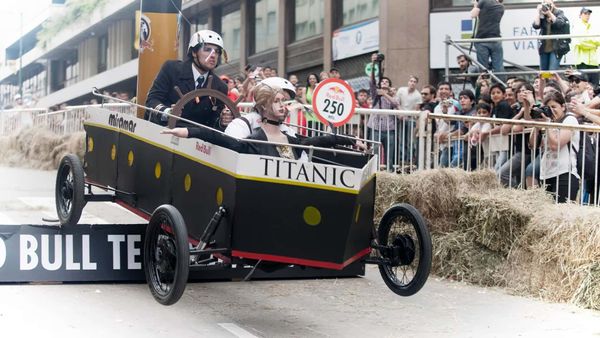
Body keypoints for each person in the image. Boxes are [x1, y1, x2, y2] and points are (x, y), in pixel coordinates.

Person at [161, 82, 357, 160]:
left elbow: (319, 141)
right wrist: (187, 131)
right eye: (277, 102)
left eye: (284, 101)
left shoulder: (290, 138)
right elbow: (219, 138)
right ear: (263, 107)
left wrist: (351, 140)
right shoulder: (253, 140)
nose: (283, 106)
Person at [145, 30, 228, 129]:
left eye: (217, 51)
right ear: (194, 52)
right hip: (163, 132)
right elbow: (152, 99)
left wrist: (222, 121)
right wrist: (167, 112)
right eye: (207, 49)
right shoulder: (171, 69)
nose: (213, 55)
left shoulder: (220, 86)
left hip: (197, 140)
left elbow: (214, 123)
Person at [526, 91, 579, 202]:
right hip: (546, 174)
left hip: (565, 174)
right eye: (548, 108)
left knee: (560, 215)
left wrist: (548, 123)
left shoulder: (570, 120)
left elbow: (556, 145)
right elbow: (532, 144)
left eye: (554, 106)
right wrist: (537, 125)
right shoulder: (548, 122)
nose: (551, 110)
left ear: (563, 107)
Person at [224, 77, 298, 139]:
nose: (284, 107)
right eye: (276, 101)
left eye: (287, 103)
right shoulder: (241, 125)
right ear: (262, 102)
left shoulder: (288, 132)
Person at [470, 0, 505, 77]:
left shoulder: (483, 1)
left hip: (482, 39)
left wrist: (476, 5)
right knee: (498, 68)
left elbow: (473, 15)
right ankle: (500, 86)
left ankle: (485, 86)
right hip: (496, 39)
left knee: (483, 69)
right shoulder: (501, 7)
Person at [532, 0, 570, 71]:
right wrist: (538, 12)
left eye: (549, 4)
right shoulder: (542, 14)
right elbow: (536, 25)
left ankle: (552, 82)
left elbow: (559, 23)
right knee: (544, 73)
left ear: (553, 4)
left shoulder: (559, 12)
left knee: (552, 73)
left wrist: (549, 13)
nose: (547, 6)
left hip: (556, 48)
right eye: (545, 4)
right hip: (544, 48)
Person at [573, 8, 599, 87]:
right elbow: (580, 42)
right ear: (580, 15)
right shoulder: (576, 26)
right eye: (585, 13)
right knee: (583, 87)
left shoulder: (593, 27)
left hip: (593, 62)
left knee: (595, 87)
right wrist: (593, 45)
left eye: (588, 14)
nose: (587, 16)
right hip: (582, 62)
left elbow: (598, 40)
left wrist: (589, 41)